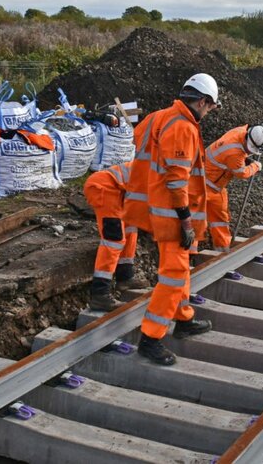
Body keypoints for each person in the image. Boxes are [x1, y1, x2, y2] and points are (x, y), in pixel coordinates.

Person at [124, 73, 220, 365]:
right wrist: (186, 222)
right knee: (173, 276)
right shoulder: (183, 128)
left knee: (181, 270)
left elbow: (138, 139)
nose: (210, 112)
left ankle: (183, 317)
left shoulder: (158, 117)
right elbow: (177, 180)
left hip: (154, 206)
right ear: (202, 101)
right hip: (172, 216)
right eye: (210, 106)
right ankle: (151, 338)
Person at [83, 161, 148, 311]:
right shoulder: (159, 173)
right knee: (113, 239)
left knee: (131, 228)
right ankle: (100, 294)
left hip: (120, 191)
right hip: (104, 188)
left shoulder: (161, 169)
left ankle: (125, 277)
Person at [204, 125, 263, 251]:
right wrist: (255, 166)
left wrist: (246, 158)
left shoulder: (241, 132)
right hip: (202, 185)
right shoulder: (233, 153)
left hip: (213, 185)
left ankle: (222, 250)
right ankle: (189, 257)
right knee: (197, 221)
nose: (250, 152)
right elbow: (242, 173)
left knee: (220, 220)